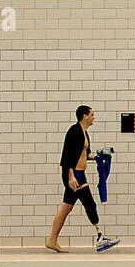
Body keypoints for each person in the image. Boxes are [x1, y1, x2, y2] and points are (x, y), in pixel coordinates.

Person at [47, 105, 118, 253]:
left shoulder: (84, 133)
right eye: (92, 114)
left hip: (79, 174)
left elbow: (85, 154)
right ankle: (100, 237)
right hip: (75, 175)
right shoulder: (74, 132)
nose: (94, 117)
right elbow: (67, 156)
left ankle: (52, 240)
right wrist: (71, 176)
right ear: (85, 116)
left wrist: (99, 156)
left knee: (66, 207)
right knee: (89, 203)